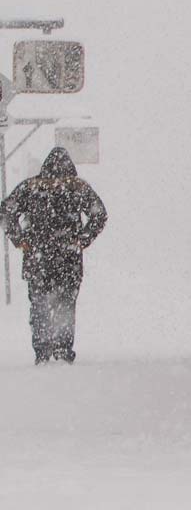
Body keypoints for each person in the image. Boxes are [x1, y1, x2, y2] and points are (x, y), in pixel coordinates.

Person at [1, 147, 108, 364]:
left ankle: (42, 350)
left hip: (37, 259)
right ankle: (63, 348)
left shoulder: (30, 187)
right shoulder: (77, 187)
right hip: (69, 259)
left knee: (39, 303)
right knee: (66, 304)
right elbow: (100, 214)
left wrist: (20, 239)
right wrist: (82, 239)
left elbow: (6, 211)